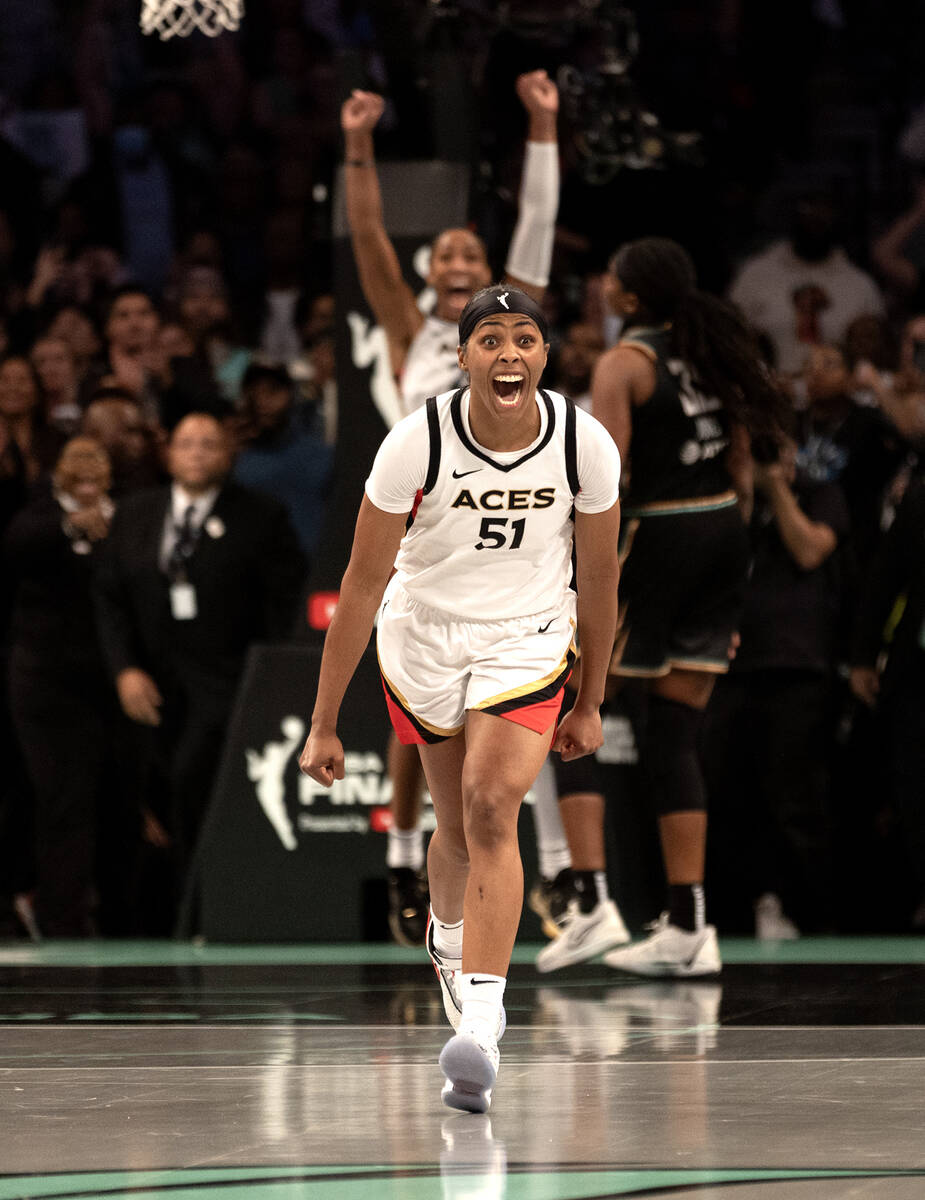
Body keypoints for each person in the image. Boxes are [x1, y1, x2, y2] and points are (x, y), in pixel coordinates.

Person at [299, 286, 621, 1112]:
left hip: (526, 634)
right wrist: (324, 721)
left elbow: (601, 581)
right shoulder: (416, 443)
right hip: (426, 632)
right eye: (489, 339)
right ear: (462, 356)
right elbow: (362, 582)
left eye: (524, 339)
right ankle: (448, 939)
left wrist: (589, 700)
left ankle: (479, 1023)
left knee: (489, 808)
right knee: (455, 823)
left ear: (545, 356)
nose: (507, 352)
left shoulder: (585, 444)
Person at [341, 70, 561, 946]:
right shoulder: (408, 328)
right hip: (420, 532)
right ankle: (406, 857)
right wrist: (358, 143)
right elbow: (364, 234)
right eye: (445, 257)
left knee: (512, 719)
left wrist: (541, 125)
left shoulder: (501, 334)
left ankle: (531, 880)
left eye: (471, 258)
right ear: (430, 271)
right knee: (416, 713)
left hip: (508, 529)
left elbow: (537, 230)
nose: (458, 266)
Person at [587, 237, 786, 978]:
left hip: (659, 535)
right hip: (722, 529)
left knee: (571, 697)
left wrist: (583, 569)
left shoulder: (622, 364)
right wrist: (729, 530)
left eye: (609, 276)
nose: (601, 284)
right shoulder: (710, 347)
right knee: (674, 730)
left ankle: (585, 897)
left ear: (630, 298)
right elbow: (739, 458)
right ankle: (688, 921)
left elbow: (606, 475)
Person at [94, 412, 306, 917]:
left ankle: (203, 908)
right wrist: (124, 668)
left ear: (228, 454)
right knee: (145, 794)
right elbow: (109, 598)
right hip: (149, 682)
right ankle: (149, 915)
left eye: (208, 444)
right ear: (168, 454)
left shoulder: (262, 516)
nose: (196, 453)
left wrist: (271, 684)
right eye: (186, 443)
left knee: (195, 781)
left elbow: (284, 606)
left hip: (226, 685)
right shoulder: (134, 514)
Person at [4, 437, 115, 934]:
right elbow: (18, 546)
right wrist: (72, 525)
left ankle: (108, 913)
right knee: (58, 796)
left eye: (98, 463)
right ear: (58, 474)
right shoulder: (38, 516)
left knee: (108, 797)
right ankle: (58, 915)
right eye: (77, 463)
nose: (88, 471)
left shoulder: (128, 517)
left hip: (110, 681)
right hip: (43, 682)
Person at [728, 190, 884, 376]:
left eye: (825, 210)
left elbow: (877, 358)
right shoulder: (754, 276)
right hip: (767, 392)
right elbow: (729, 340)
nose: (816, 218)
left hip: (842, 396)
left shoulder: (861, 286)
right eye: (808, 207)